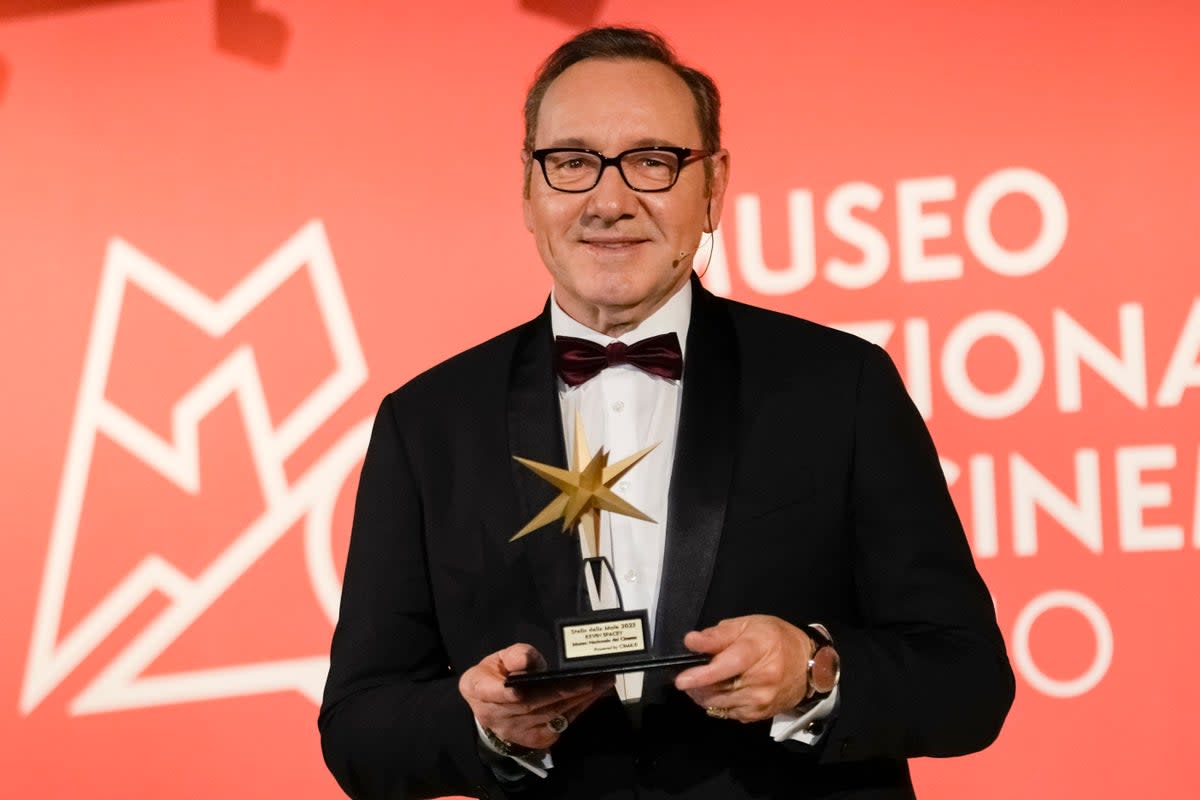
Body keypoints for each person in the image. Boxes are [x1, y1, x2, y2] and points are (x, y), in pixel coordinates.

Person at [319, 26, 1014, 800]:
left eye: (653, 162)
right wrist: (479, 723)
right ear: (527, 187)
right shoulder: (426, 425)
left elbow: (970, 683)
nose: (609, 201)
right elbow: (357, 730)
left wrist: (815, 675)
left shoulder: (840, 385)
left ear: (713, 184)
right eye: (572, 162)